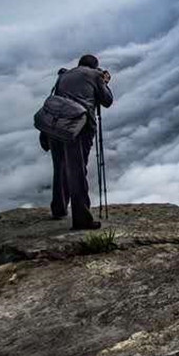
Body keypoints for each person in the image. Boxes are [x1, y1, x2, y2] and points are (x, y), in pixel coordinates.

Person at [49, 54, 113, 230]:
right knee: (77, 171)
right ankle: (81, 219)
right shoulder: (95, 76)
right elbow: (107, 101)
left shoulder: (64, 75)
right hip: (77, 127)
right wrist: (105, 81)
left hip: (54, 126)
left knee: (60, 167)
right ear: (95, 67)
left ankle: (59, 209)